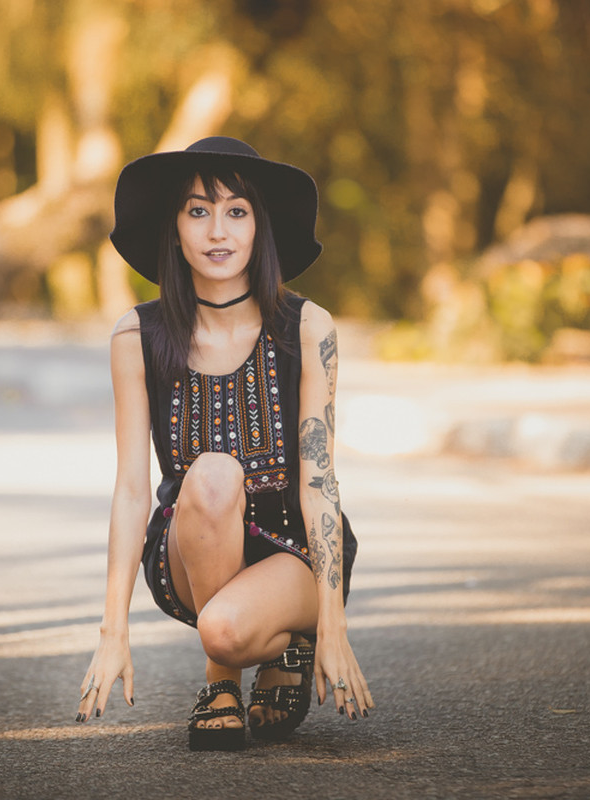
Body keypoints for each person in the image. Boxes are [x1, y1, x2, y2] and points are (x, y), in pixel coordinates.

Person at [74, 136, 373, 750]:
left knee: (226, 628)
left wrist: (335, 625)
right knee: (211, 475)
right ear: (174, 227)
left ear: (260, 226)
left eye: (237, 211)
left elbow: (319, 481)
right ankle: (224, 679)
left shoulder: (308, 327)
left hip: (294, 552)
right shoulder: (137, 336)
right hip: (190, 550)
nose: (218, 231)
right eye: (198, 211)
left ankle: (284, 644)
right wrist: (112, 630)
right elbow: (131, 490)